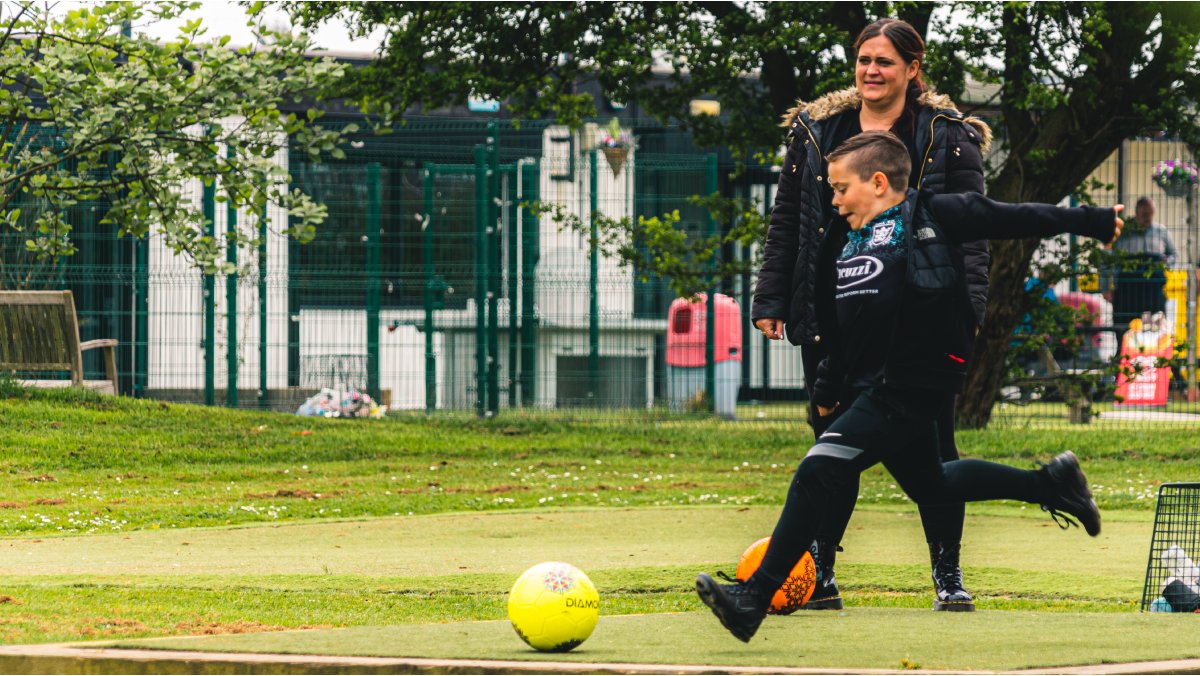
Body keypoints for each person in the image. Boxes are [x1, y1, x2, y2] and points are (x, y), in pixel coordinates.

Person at [698, 131, 1123, 643]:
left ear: (877, 183)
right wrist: (829, 384)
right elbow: (841, 326)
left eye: (839, 188)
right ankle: (1051, 484)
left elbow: (1013, 216)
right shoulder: (845, 235)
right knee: (934, 484)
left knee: (818, 469)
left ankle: (752, 600)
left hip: (915, 380)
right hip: (872, 383)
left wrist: (1094, 222)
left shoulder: (932, 215)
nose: (833, 200)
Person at [751, 18, 991, 611]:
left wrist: (971, 309)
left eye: (884, 61)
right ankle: (821, 576)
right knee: (833, 448)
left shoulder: (947, 136)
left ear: (913, 68)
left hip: (921, 322)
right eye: (863, 59)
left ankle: (948, 577)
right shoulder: (815, 131)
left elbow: (974, 232)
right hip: (835, 315)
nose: (871, 71)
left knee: (936, 451)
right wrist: (772, 299)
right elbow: (788, 221)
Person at [1107, 196, 1177, 328]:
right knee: (1123, 331)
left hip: (1153, 290)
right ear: (1136, 213)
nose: (1148, 218)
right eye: (1145, 214)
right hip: (1127, 290)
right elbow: (1108, 259)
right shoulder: (1123, 232)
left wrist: (1166, 263)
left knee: (1157, 332)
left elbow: (1173, 255)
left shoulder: (1161, 231)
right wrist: (1106, 288)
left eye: (1151, 214)